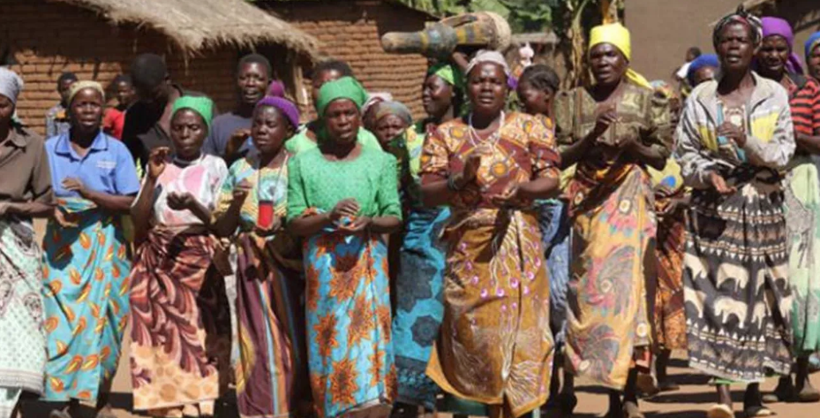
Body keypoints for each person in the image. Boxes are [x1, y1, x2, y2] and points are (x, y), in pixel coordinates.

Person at [421, 50, 560, 418]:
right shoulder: (445, 134)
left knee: (521, 335)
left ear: (507, 88)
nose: (486, 87)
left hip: (518, 243)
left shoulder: (530, 127)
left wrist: (525, 189)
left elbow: (551, 180)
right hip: (468, 252)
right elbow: (427, 192)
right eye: (478, 80)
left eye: (495, 81)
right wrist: (459, 179)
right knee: (473, 336)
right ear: (466, 87)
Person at [676, 10, 795, 418]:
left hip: (764, 208)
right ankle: (723, 396)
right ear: (717, 46)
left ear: (755, 46)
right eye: (726, 40)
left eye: (741, 40)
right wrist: (706, 175)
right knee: (715, 299)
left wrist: (748, 142)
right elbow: (685, 154)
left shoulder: (774, 95)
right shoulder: (700, 98)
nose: (733, 46)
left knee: (762, 296)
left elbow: (783, 152)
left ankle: (754, 395)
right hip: (714, 212)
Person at [555, 22, 673, 418]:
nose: (603, 61)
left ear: (625, 60)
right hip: (588, 207)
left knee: (629, 294)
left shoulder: (648, 100)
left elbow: (660, 157)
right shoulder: (572, 101)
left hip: (630, 202)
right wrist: (591, 139)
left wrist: (633, 145)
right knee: (585, 292)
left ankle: (625, 394)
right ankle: (573, 383)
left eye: (611, 54)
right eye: (596, 55)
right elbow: (559, 156)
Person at [287, 76, 402, 418]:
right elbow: (294, 221)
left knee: (369, 349)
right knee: (331, 344)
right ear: (323, 119)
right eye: (334, 115)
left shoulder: (380, 162)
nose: (342, 121)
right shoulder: (303, 163)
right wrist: (328, 216)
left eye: (349, 113)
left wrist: (370, 222)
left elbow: (394, 216)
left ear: (360, 117)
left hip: (367, 269)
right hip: (325, 274)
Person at [41, 81, 140, 418]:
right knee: (62, 321)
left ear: (103, 111)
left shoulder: (116, 151)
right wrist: (55, 206)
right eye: (80, 104)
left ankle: (100, 395)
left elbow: (128, 201)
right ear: (68, 111)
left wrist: (90, 194)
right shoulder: (50, 150)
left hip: (106, 244)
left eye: (94, 104)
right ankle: (63, 398)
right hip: (63, 248)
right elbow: (36, 194)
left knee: (108, 321)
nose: (87, 110)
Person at [129, 96, 231, 418]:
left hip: (200, 260)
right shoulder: (159, 165)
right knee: (164, 332)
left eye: (193, 127)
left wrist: (192, 206)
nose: (185, 134)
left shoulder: (216, 166)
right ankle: (170, 402)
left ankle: (199, 400)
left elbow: (221, 221)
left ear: (205, 131)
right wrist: (152, 177)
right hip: (160, 260)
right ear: (169, 131)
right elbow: (139, 218)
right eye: (178, 128)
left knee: (200, 331)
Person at [213, 96, 311, 417]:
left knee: (293, 337)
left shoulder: (300, 167)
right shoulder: (240, 169)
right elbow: (222, 226)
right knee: (256, 336)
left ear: (289, 131)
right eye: (257, 124)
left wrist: (287, 224)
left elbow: (310, 213)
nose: (262, 130)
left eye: (271, 124)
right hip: (251, 269)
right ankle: (262, 407)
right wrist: (237, 204)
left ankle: (295, 403)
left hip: (291, 267)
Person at [389, 63, 459, 417]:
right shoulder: (410, 137)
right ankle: (412, 397)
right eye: (424, 87)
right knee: (414, 315)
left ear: (454, 91)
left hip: (462, 235)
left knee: (458, 318)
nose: (426, 93)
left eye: (435, 87)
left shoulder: (471, 132)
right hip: (421, 237)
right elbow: (399, 184)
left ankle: (458, 396)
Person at [756, 16, 820, 404]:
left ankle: (800, 370)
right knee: (767, 281)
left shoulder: (807, 89)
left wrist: (793, 138)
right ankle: (772, 374)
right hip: (759, 186)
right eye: (767, 48)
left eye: (781, 48)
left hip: (799, 183)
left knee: (801, 279)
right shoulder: (748, 89)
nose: (774, 54)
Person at [516, 63, 576, 412]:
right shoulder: (519, 128)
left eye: (525, 97)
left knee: (560, 296)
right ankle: (548, 383)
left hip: (563, 215)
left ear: (547, 95)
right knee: (537, 297)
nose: (521, 104)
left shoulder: (565, 129)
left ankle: (567, 383)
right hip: (532, 217)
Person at [0, 68, 54, 418]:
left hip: (15, 245)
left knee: (24, 328)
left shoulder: (32, 145)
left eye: (2, 104)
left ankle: (13, 401)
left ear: (13, 106)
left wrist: (11, 207)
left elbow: (47, 204)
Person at [122, 53, 210, 169]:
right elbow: (127, 163)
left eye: (154, 94)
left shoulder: (200, 105)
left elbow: (217, 147)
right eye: (142, 96)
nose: (148, 101)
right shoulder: (135, 115)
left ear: (167, 80)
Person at [285, 60, 381, 154]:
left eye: (332, 86)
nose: (324, 92)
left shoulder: (366, 141)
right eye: (320, 86)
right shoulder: (296, 144)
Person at [203, 54, 272, 158]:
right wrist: (229, 153)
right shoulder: (218, 126)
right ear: (235, 81)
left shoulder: (278, 125)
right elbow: (206, 166)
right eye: (243, 78)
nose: (250, 83)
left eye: (259, 79)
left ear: (268, 84)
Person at [102, 75, 136, 140]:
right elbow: (106, 136)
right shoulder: (113, 113)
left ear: (132, 91)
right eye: (118, 92)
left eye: (124, 91)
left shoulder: (139, 111)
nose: (121, 94)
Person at [45, 72, 78, 138]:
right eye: (64, 90)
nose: (68, 92)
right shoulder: (53, 114)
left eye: (72, 88)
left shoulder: (84, 110)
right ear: (59, 91)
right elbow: (50, 138)